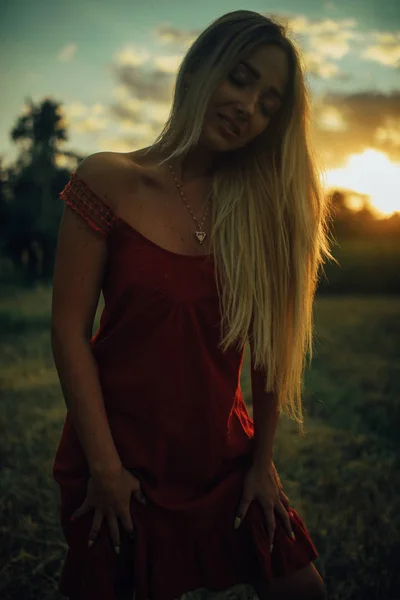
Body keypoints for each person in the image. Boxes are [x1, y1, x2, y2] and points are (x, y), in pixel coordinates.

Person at [51, 9, 334, 600]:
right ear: (199, 69)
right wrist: (105, 467)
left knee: (304, 591)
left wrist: (261, 464)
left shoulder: (258, 213)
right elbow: (69, 330)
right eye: (240, 78)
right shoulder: (108, 179)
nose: (248, 107)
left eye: (269, 103)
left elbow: (269, 351)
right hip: (121, 457)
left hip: (221, 459)